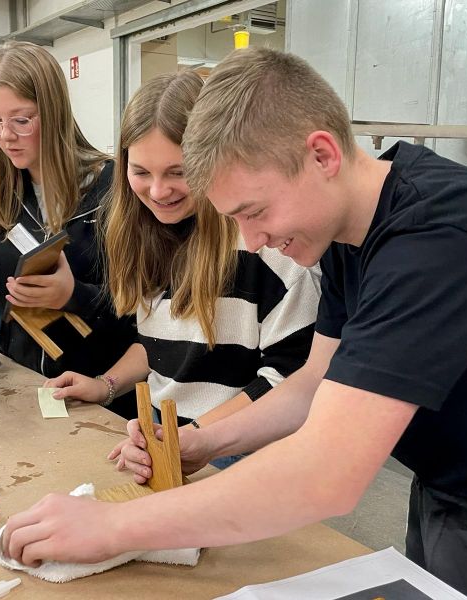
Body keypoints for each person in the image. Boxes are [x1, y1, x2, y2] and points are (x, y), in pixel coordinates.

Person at [0, 48, 467, 599]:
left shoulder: (440, 238)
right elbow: (314, 382)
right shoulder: (348, 232)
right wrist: (204, 442)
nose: (254, 240)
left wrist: (112, 526)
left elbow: (327, 474)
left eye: (255, 211)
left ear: (322, 154)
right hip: (446, 499)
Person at [42, 71, 320, 470]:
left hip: (249, 451)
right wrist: (106, 385)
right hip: (174, 434)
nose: (158, 191)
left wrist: (194, 437)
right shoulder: (145, 234)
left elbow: (290, 377)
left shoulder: (264, 243)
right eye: (141, 172)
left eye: (179, 172)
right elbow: (161, 343)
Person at [0, 42, 135, 392]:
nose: (6, 136)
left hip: (102, 391)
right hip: (23, 384)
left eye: (21, 120)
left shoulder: (114, 189)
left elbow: (147, 306)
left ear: (54, 112)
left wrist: (75, 295)